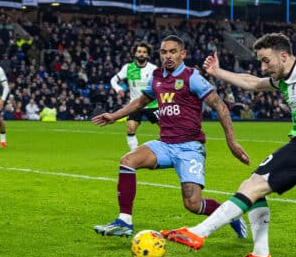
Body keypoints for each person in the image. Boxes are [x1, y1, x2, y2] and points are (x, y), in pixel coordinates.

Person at [161, 33, 296, 257]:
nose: (263, 66)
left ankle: (199, 232)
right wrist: (218, 72)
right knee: (252, 187)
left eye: (266, 60)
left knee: (252, 187)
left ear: (284, 56)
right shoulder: (283, 79)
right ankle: (260, 254)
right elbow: (252, 82)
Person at [92, 35, 250, 238]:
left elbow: (220, 106)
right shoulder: (157, 76)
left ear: (182, 54)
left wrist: (232, 141)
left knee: (193, 204)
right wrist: (114, 116)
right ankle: (124, 222)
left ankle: (231, 216)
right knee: (127, 161)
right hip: (164, 145)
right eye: (164, 52)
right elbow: (140, 102)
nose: (168, 56)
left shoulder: (191, 76)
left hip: (189, 148)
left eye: (173, 51)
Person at [110, 41, 159, 151]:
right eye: (139, 52)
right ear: (135, 53)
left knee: (166, 129)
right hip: (135, 104)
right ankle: (134, 153)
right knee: (130, 128)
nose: (141, 54)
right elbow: (113, 80)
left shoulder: (154, 69)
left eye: (144, 52)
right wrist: (119, 89)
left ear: (147, 54)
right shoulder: (128, 68)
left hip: (153, 104)